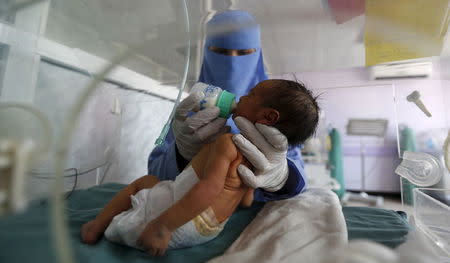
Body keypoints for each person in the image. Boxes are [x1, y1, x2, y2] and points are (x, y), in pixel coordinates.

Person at [81, 79, 320, 256]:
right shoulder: (256, 160)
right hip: (211, 228)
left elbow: (209, 189)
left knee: (142, 183)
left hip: (186, 220)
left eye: (251, 94)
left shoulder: (228, 142)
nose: (241, 97)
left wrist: (163, 226)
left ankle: (97, 224)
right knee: (158, 184)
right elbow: (246, 201)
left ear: (268, 117)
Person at [148, 10, 308, 202]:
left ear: (256, 54)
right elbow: (154, 175)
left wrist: (281, 177)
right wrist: (181, 155)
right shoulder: (189, 109)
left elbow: (300, 179)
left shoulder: (277, 106)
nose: (232, 63)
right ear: (207, 52)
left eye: (244, 53)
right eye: (221, 52)